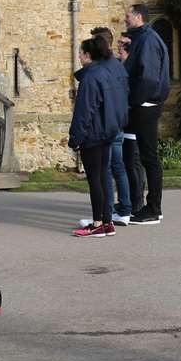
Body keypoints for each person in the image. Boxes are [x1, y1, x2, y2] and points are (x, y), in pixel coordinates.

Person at [68, 35, 129, 238]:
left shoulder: (91, 77)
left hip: (94, 134)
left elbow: (84, 111)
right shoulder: (107, 73)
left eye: (80, 53)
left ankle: (97, 223)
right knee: (103, 176)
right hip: (108, 132)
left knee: (96, 179)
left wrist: (75, 138)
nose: (79, 56)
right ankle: (106, 221)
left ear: (87, 55)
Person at [122, 4, 170, 225]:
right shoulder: (141, 38)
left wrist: (135, 101)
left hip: (147, 105)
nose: (125, 19)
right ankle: (148, 206)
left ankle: (153, 208)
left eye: (128, 16)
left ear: (138, 16)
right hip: (144, 103)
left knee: (149, 156)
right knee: (144, 155)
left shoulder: (148, 40)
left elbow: (149, 77)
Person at [89, 27, 132, 226]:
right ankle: (123, 208)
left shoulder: (103, 68)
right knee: (118, 167)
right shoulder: (117, 66)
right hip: (117, 123)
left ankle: (107, 215)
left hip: (108, 125)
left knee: (105, 169)